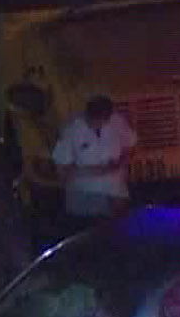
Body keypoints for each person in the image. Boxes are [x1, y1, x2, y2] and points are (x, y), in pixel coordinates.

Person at [50, 95, 138, 230]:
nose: (98, 124)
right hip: (84, 198)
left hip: (115, 194)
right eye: (94, 121)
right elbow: (61, 168)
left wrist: (120, 163)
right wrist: (94, 171)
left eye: (103, 121)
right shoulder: (71, 129)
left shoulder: (117, 121)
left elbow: (131, 145)